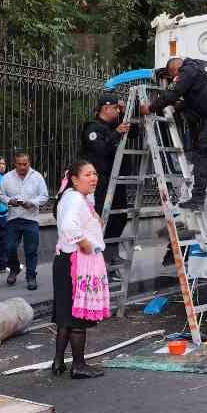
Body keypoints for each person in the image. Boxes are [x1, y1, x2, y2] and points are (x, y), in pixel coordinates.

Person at [139, 57, 207, 211]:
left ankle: (197, 199)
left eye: (172, 76)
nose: (174, 79)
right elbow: (198, 95)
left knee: (203, 154)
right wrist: (177, 108)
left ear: (175, 70)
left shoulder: (187, 71)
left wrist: (150, 108)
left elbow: (172, 93)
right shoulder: (202, 65)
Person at [52, 159, 109, 379]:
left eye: (94, 173)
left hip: (66, 261)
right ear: (74, 179)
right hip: (76, 262)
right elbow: (69, 227)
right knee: (77, 319)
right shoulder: (75, 198)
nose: (93, 178)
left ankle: (58, 362)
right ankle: (78, 365)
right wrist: (85, 244)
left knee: (66, 315)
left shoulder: (75, 197)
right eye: (87, 174)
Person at [79, 94, 131, 276]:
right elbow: (99, 150)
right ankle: (97, 263)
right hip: (100, 183)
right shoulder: (93, 128)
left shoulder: (113, 127)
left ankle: (110, 256)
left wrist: (125, 115)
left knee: (120, 217)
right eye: (116, 108)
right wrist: (116, 133)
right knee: (100, 221)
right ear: (106, 108)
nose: (117, 111)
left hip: (116, 181)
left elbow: (135, 132)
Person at [0, 152, 49, 290]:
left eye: (25, 164)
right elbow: (1, 195)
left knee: (31, 250)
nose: (22, 167)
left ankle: (31, 276)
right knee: (9, 247)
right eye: (19, 164)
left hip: (31, 219)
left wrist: (32, 203)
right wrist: (10, 201)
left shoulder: (37, 177)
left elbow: (44, 196)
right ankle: (14, 268)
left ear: (29, 162)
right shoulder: (7, 177)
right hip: (13, 218)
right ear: (14, 163)